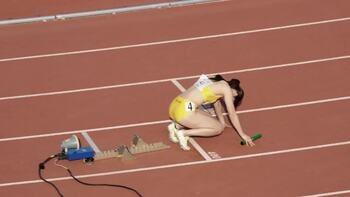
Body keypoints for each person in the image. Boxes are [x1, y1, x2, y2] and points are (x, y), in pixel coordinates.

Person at [168, 74, 255, 150]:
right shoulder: (226, 89)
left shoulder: (215, 79)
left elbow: (216, 104)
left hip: (175, 105)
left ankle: (176, 126)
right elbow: (232, 114)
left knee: (211, 119)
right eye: (233, 97)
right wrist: (243, 135)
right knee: (217, 129)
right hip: (183, 111)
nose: (230, 99)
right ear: (233, 91)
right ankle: (183, 133)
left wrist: (222, 122)